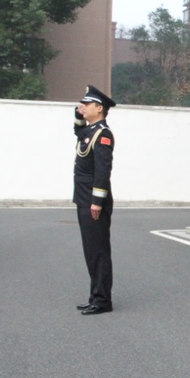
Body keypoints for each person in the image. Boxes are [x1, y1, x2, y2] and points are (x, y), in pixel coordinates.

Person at [73, 85, 116, 315]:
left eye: (87, 104)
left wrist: (97, 201)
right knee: (90, 251)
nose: (83, 106)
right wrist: (77, 113)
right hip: (83, 198)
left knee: (98, 251)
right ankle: (95, 296)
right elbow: (78, 132)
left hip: (93, 201)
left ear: (99, 108)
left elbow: (102, 171)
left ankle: (102, 300)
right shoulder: (90, 131)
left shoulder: (103, 134)